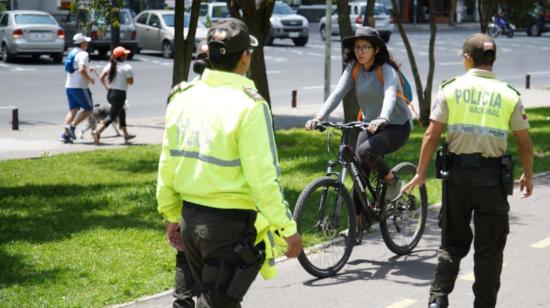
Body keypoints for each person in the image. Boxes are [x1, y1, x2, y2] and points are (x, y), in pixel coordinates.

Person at [156, 18, 302, 308]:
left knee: (189, 302)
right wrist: (287, 227)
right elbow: (263, 178)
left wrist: (172, 214)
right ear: (246, 56)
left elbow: (168, 164)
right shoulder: (249, 105)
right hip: (228, 227)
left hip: (190, 219)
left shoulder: (183, 96)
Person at [401, 33, 534, 308]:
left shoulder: (451, 89)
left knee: (452, 243)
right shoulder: (509, 95)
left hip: (457, 179)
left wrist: (420, 172)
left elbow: (430, 135)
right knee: (489, 251)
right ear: (492, 59)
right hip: (492, 181)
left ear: (467, 58)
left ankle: (437, 301)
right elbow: (525, 143)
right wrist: (528, 175)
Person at [305, 27, 412, 207]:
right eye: (357, 47)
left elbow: (390, 94)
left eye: (365, 47)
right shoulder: (354, 69)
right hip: (370, 125)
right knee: (359, 168)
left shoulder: (387, 70)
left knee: (365, 151)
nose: (360, 52)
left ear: (376, 49)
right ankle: (360, 220)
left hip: (396, 126)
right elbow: (337, 93)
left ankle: (392, 180)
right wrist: (319, 116)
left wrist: (383, 118)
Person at [92, 46, 136, 145]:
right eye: (126, 54)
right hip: (119, 95)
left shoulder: (110, 65)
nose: (127, 55)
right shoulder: (127, 67)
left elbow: (101, 77)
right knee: (112, 116)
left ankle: (126, 135)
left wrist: (107, 86)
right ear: (123, 56)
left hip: (111, 94)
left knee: (122, 113)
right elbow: (131, 82)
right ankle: (97, 132)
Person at [60, 33, 96, 143]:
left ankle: (65, 135)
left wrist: (89, 69)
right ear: (83, 43)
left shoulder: (72, 52)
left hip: (69, 85)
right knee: (89, 109)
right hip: (80, 86)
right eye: (86, 42)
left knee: (73, 110)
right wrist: (90, 79)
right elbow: (80, 70)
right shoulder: (83, 54)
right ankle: (72, 127)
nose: (87, 44)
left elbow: (77, 68)